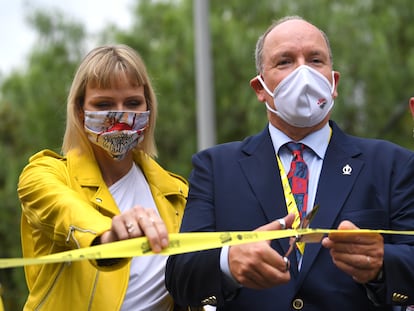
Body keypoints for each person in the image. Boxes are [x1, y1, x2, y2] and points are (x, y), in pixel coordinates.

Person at [165, 16, 414, 310]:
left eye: (315, 59)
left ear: (333, 83)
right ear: (259, 88)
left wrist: (382, 263)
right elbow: (180, 274)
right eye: (285, 62)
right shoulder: (216, 167)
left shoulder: (392, 164)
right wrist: (228, 261)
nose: (303, 72)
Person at [17, 44, 191, 311]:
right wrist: (108, 236)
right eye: (104, 104)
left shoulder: (177, 193)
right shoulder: (43, 175)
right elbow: (66, 212)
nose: (120, 115)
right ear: (79, 111)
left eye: (133, 103)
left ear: (148, 108)